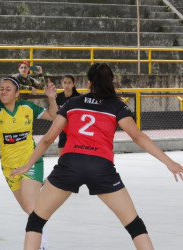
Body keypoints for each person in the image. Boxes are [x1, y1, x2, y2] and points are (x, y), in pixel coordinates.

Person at [10, 63, 183, 250]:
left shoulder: (73, 103)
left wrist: (28, 165)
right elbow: (138, 136)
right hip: (101, 167)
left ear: (89, 82)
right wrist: (169, 162)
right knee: (134, 225)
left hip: (70, 164)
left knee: (36, 221)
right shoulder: (117, 106)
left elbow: (48, 139)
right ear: (111, 81)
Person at [0, 77, 58, 250]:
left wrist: (51, 98)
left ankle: (41, 245)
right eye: (1, 89)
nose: (3, 91)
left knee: (31, 205)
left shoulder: (27, 107)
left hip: (31, 162)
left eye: (8, 89)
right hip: (9, 167)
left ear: (17, 94)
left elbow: (53, 116)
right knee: (28, 207)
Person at [55, 74, 80, 156]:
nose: (67, 85)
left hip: (75, 130)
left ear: (74, 84)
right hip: (63, 129)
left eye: (69, 83)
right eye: (65, 82)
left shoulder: (78, 98)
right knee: (61, 155)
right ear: (62, 84)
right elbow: (55, 113)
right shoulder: (59, 96)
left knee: (75, 155)